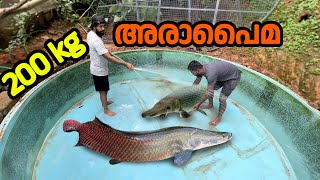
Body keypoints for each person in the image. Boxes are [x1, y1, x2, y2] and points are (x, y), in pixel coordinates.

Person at [87, 14, 134, 116]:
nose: (103, 29)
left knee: (105, 89)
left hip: (99, 68)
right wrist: (125, 64)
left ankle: (105, 102)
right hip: (99, 71)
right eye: (100, 27)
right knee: (103, 90)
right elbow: (109, 58)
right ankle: (105, 109)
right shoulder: (96, 41)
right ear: (94, 27)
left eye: (103, 26)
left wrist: (104, 50)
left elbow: (100, 49)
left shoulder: (90, 34)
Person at [187, 60, 241, 126]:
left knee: (222, 98)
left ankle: (219, 118)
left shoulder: (211, 74)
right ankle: (210, 105)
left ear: (198, 70)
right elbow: (197, 81)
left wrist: (198, 103)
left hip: (233, 78)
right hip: (222, 76)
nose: (192, 74)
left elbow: (209, 92)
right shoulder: (202, 69)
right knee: (210, 88)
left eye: (192, 73)